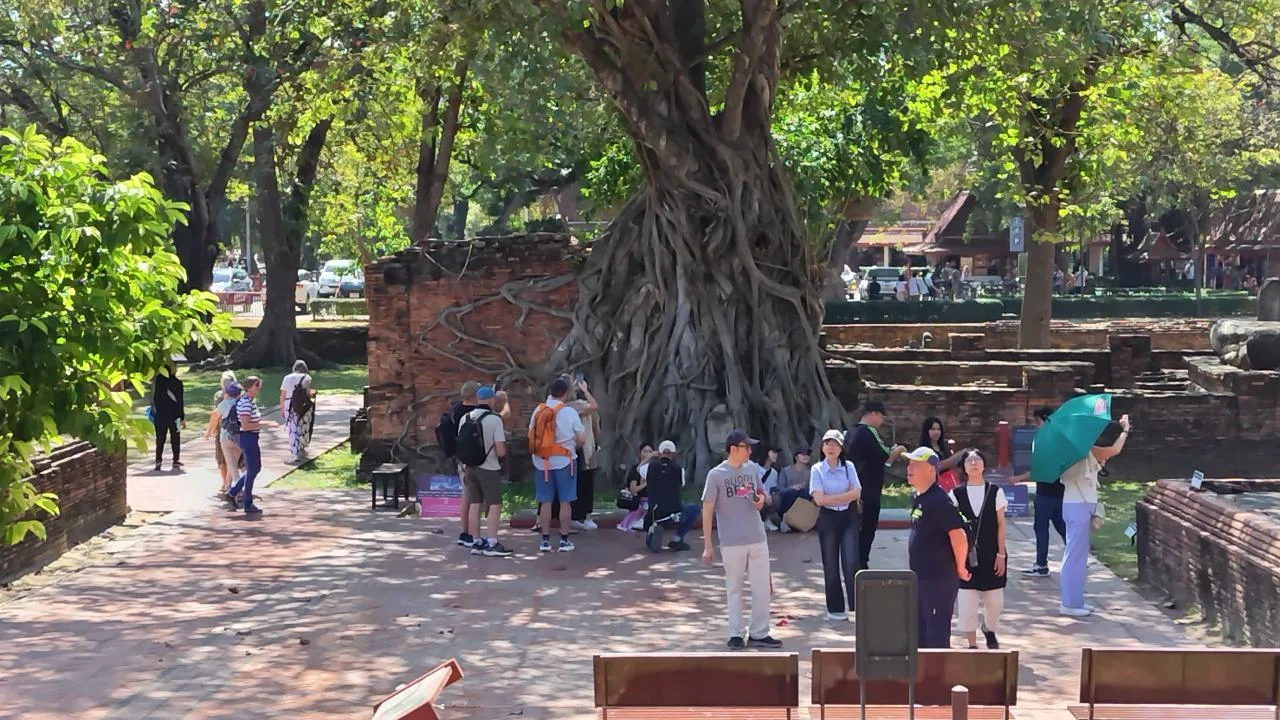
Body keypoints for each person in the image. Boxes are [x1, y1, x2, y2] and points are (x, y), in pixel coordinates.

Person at [701, 430, 781, 649]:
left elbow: (761, 493)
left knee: (762, 587)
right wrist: (708, 545)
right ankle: (735, 632)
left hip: (757, 537)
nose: (750, 451)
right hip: (731, 540)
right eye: (746, 447)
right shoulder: (716, 475)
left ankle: (759, 632)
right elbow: (707, 508)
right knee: (734, 587)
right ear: (733, 449)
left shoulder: (752, 470)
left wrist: (760, 500)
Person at [1060, 415, 1131, 617]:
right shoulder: (1079, 451)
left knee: (1079, 556)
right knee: (1074, 556)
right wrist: (1125, 429)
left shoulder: (1083, 451)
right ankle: (1070, 603)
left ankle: (1076, 601)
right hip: (1078, 506)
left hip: (1079, 505)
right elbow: (1115, 449)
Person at [904, 446, 971, 648]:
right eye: (909, 463)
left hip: (938, 580)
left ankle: (937, 677)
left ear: (932, 469)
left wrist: (960, 567)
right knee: (921, 635)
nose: (909, 468)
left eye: (916, 464)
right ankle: (923, 677)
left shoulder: (939, 500)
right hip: (920, 578)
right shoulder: (920, 497)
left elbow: (958, 535)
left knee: (936, 637)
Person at [950, 449, 1008, 649]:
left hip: (992, 551)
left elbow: (1001, 524)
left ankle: (989, 628)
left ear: (984, 465)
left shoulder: (995, 491)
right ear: (964, 467)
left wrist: (1001, 553)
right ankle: (972, 644)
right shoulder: (956, 494)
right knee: (967, 601)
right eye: (969, 460)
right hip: (966, 554)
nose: (974, 463)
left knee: (995, 600)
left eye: (978, 459)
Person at [844, 401, 906, 568]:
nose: (881, 420)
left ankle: (854, 561)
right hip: (869, 489)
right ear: (873, 414)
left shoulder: (851, 432)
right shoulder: (868, 432)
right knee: (867, 528)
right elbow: (886, 457)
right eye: (880, 416)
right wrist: (899, 450)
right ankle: (861, 563)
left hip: (854, 488)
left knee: (856, 528)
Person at [809, 429, 862, 621]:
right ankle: (835, 608)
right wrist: (843, 496)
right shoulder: (817, 469)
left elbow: (856, 493)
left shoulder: (849, 467)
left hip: (848, 518)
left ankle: (857, 606)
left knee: (851, 563)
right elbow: (819, 499)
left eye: (835, 444)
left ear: (841, 448)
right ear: (822, 447)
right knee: (830, 565)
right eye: (827, 443)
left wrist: (833, 497)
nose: (831, 447)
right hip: (828, 520)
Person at [530, 377, 585, 553]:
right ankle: (564, 540)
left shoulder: (538, 410)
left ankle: (545, 540)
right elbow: (582, 439)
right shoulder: (569, 412)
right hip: (565, 461)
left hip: (541, 462)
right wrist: (571, 448)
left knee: (545, 501)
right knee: (565, 501)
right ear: (566, 394)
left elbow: (531, 435)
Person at [459, 386, 512, 557]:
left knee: (475, 504)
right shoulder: (494, 420)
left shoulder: (464, 418)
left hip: (469, 467)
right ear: (491, 400)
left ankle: (476, 541)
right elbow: (501, 450)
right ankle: (492, 542)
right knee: (494, 504)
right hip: (489, 467)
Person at [1014, 406, 1065, 577]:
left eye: (1038, 421)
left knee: (1041, 528)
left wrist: (1017, 479)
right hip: (1060, 491)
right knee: (1061, 526)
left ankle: (1041, 564)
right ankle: (1078, 556)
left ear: (1046, 420)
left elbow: (1037, 469)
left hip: (1046, 493)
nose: (1036, 426)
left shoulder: (1045, 442)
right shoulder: (1061, 441)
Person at [224, 377, 276, 515]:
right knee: (253, 469)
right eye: (256, 385)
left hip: (251, 437)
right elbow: (245, 425)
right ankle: (247, 502)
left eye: (259, 385)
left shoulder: (249, 401)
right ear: (249, 387)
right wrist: (266, 424)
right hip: (248, 438)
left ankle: (233, 492)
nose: (259, 388)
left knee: (254, 468)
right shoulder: (245, 402)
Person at [639, 441, 700, 552]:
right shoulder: (679, 470)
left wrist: (650, 457)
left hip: (654, 512)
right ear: (673, 453)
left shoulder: (649, 467)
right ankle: (677, 539)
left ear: (660, 452)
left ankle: (652, 533)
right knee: (694, 508)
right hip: (674, 513)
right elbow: (682, 485)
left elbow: (639, 469)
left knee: (652, 524)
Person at [556, 379, 600, 531]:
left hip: (584, 447)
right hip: (578, 448)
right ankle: (580, 515)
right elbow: (594, 406)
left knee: (583, 482)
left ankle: (581, 515)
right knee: (581, 483)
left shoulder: (562, 406)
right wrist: (586, 390)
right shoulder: (573, 406)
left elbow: (596, 427)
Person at [449, 381, 482, 547]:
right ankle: (466, 533)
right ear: (475, 396)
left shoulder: (456, 410)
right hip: (470, 459)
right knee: (469, 496)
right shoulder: (472, 413)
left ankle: (466, 531)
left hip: (460, 457)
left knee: (466, 495)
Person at [204, 372, 240, 494]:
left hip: (223, 431)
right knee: (234, 460)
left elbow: (215, 414)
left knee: (224, 459)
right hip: (239, 432)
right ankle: (230, 484)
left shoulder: (220, 397)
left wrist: (210, 431)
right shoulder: (241, 395)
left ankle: (227, 484)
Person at [151, 361, 186, 472]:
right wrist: (182, 417)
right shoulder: (177, 383)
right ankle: (176, 459)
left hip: (160, 416)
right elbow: (180, 402)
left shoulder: (157, 384)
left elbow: (154, 400)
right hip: (175, 416)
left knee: (160, 439)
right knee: (176, 437)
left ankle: (158, 460)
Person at [918, 417, 964, 491]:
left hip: (949, 485)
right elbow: (935, 466)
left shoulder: (943, 448)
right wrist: (957, 456)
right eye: (933, 429)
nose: (936, 432)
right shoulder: (923, 450)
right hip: (932, 487)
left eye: (938, 429)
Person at [618, 444, 655, 532]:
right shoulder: (636, 470)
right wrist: (645, 484)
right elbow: (633, 489)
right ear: (640, 453)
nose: (648, 454)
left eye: (650, 452)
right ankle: (630, 523)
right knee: (645, 506)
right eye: (645, 452)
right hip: (640, 499)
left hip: (652, 499)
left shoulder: (654, 468)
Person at [280, 360, 312, 463]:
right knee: (302, 427)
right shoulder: (306, 378)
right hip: (302, 406)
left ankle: (295, 452)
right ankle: (301, 450)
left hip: (289, 405)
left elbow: (283, 395)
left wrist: (282, 408)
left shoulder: (287, 378)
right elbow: (307, 394)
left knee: (292, 429)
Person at [758, 447, 783, 530]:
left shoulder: (774, 473)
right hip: (755, 496)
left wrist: (769, 496)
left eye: (776, 453)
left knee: (776, 498)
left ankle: (766, 520)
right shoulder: (754, 467)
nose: (775, 455)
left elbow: (773, 489)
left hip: (767, 499)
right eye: (773, 452)